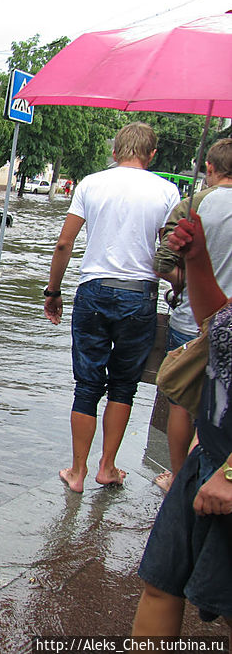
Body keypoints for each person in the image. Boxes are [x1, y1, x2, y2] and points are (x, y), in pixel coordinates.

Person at [44, 122, 180, 493]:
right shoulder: (168, 192)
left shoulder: (90, 184)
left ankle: (77, 472)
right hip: (140, 295)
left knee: (87, 386)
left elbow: (64, 244)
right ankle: (107, 467)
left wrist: (53, 291)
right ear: (152, 155)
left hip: (93, 291)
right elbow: (170, 254)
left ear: (116, 151)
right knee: (124, 386)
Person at [132, 208, 232, 636]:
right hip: (208, 457)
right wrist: (198, 260)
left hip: (225, 473)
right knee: (160, 585)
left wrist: (230, 474)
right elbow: (222, 326)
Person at [152, 138, 232, 493]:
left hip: (195, 320)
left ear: (210, 168)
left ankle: (179, 478)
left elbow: (163, 263)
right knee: (217, 415)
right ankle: (214, 475)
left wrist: (186, 280)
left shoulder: (194, 207)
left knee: (182, 400)